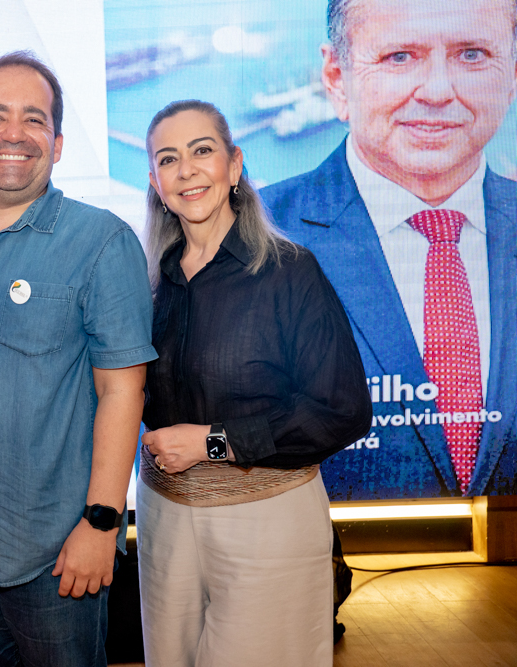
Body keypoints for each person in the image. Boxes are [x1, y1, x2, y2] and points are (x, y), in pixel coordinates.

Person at [0, 51, 156, 666]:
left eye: (34, 119)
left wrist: (101, 523)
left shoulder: (102, 242)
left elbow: (124, 393)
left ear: (59, 143)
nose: (14, 133)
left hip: (56, 556)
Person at [137, 99, 372, 666]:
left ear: (235, 165)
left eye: (202, 151)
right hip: (164, 518)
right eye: (169, 159)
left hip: (268, 521)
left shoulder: (290, 272)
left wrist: (212, 441)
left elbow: (342, 410)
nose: (186, 170)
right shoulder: (143, 282)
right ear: (155, 182)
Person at [261, 0, 517, 499]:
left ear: (511, 74)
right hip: (321, 574)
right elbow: (180, 451)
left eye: (472, 54)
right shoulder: (246, 244)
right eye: (400, 56)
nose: (440, 91)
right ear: (337, 77)